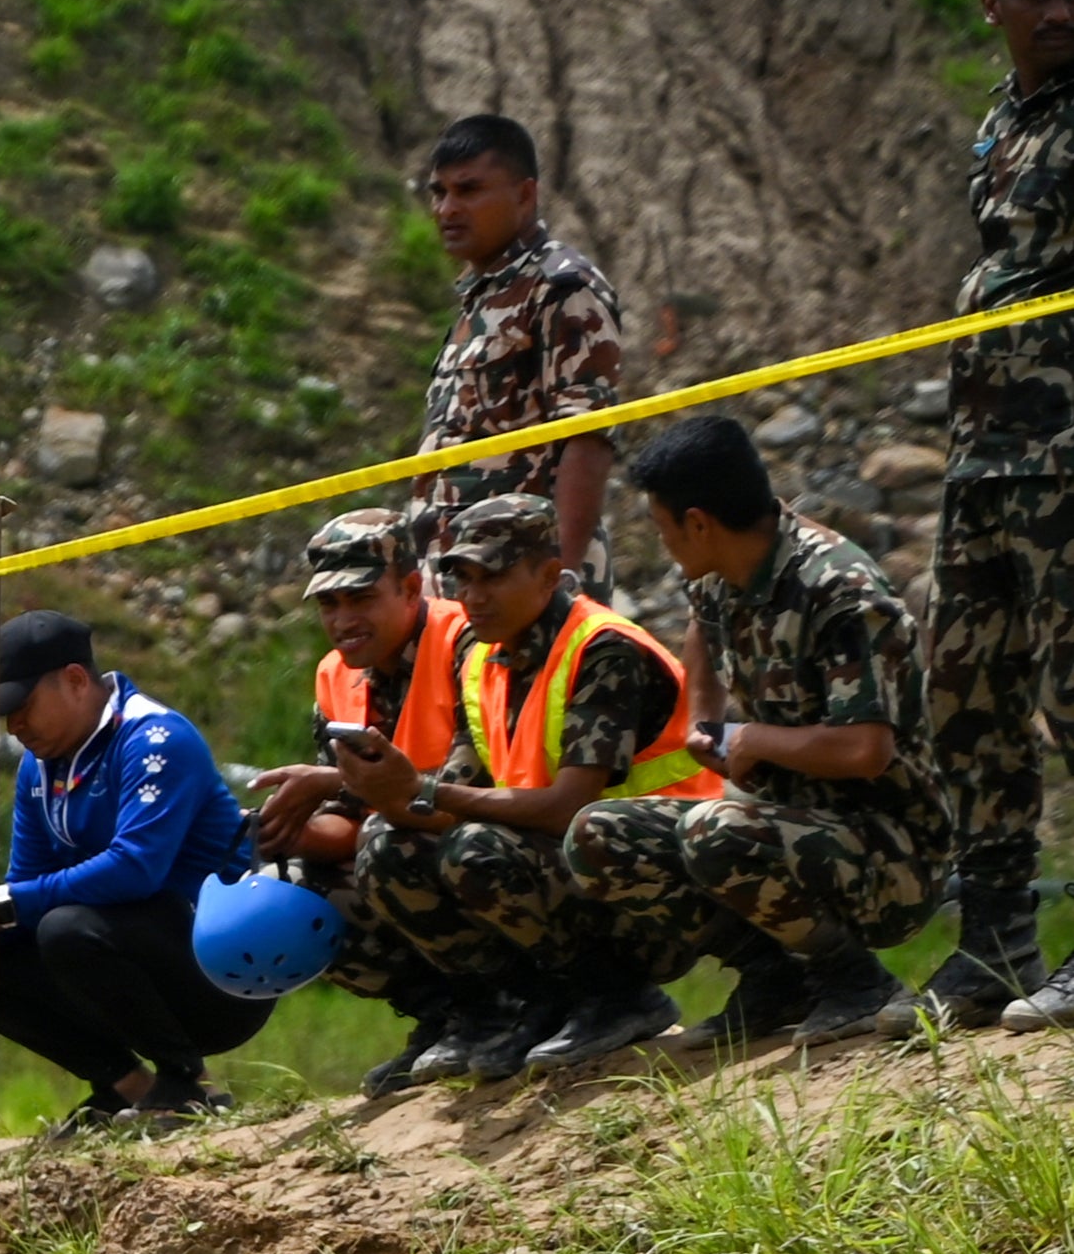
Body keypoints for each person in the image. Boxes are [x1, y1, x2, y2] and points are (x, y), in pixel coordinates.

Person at [564, 415, 939, 1051]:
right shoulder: (724, 567)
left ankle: (855, 982)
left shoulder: (839, 591)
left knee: (715, 832)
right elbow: (702, 624)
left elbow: (865, 749)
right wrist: (706, 721)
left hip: (888, 853)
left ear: (699, 523)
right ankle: (772, 980)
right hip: (786, 822)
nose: (662, 544)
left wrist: (754, 740)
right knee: (598, 837)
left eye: (662, 527)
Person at [327, 492, 721, 1079]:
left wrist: (423, 792)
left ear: (548, 576)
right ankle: (512, 1009)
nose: (473, 597)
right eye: (461, 577)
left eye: (493, 576)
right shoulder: (486, 659)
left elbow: (567, 806)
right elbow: (453, 791)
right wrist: (381, 795)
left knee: (474, 849)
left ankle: (616, 997)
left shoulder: (602, 649)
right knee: (390, 844)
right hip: (572, 862)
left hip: (667, 877)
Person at [0, 609, 259, 1129]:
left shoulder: (156, 740)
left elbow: (135, 869)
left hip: (223, 976)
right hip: (134, 955)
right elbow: (29, 881)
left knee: (65, 926)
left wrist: (4, 904)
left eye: (22, 707)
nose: (15, 727)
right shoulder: (40, 765)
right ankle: (129, 1087)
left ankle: (187, 1081)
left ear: (76, 680)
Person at [920, 0, 1074, 1027]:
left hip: (1066, 451)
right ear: (990, 4)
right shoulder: (1003, 122)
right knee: (965, 693)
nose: (1057, 9)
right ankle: (995, 940)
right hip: (983, 457)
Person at [245, 507, 469, 1089]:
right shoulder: (335, 675)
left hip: (490, 842)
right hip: (404, 844)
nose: (343, 620)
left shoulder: (466, 644)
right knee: (287, 891)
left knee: (388, 844)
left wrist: (341, 787)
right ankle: (445, 1015)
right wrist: (278, 835)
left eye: (360, 598)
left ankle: (505, 1004)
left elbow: (484, 796)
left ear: (411, 588)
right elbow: (348, 821)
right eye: (328, 605)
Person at [406, 114, 629, 570]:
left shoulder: (561, 287)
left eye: (468, 191)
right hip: (461, 577)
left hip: (524, 581)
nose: (447, 209)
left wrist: (560, 581)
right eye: (439, 192)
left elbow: (585, 440)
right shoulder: (482, 295)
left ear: (525, 195)